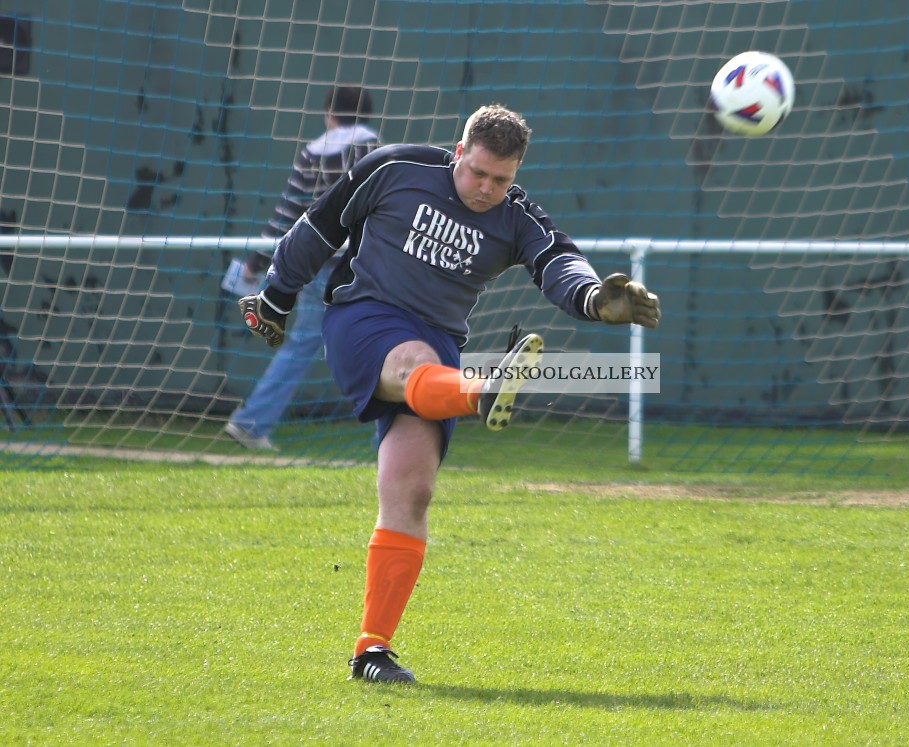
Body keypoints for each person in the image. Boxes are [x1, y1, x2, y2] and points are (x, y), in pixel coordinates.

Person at [237, 104, 661, 684]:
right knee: (415, 361)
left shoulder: (516, 215)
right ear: (458, 153)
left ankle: (371, 651)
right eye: (478, 173)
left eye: (501, 179)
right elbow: (317, 229)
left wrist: (593, 298)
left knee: (413, 490)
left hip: (438, 348)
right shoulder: (394, 168)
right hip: (363, 315)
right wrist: (276, 297)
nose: (487, 189)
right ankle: (484, 389)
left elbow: (559, 262)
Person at [224, 86, 380, 450]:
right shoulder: (373, 151)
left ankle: (252, 421)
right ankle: (389, 434)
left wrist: (256, 262)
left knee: (300, 345)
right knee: (382, 342)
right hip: (362, 268)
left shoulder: (311, 152)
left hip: (317, 265)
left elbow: (288, 212)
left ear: (329, 113)